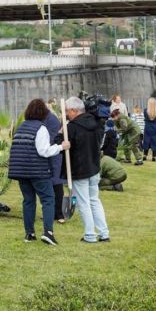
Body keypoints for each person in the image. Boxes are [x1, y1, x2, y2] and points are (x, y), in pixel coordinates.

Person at [8, 99, 68, 246]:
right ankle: (48, 233)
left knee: (28, 201)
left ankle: (29, 233)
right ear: (43, 113)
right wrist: (61, 147)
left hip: (21, 171)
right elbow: (44, 151)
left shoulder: (21, 127)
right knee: (48, 199)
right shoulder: (41, 129)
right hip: (38, 171)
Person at [64, 97, 110, 243]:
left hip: (80, 169)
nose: (66, 114)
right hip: (94, 167)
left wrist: (60, 135)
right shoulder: (97, 123)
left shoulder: (72, 127)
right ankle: (104, 233)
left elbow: (61, 144)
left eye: (67, 111)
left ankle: (90, 234)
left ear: (74, 110)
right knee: (94, 200)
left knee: (83, 203)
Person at [44, 100, 67, 226]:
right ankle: (53, 213)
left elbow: (52, 138)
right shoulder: (47, 118)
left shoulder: (50, 120)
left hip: (54, 154)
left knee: (56, 185)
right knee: (52, 185)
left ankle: (58, 213)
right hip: (51, 154)